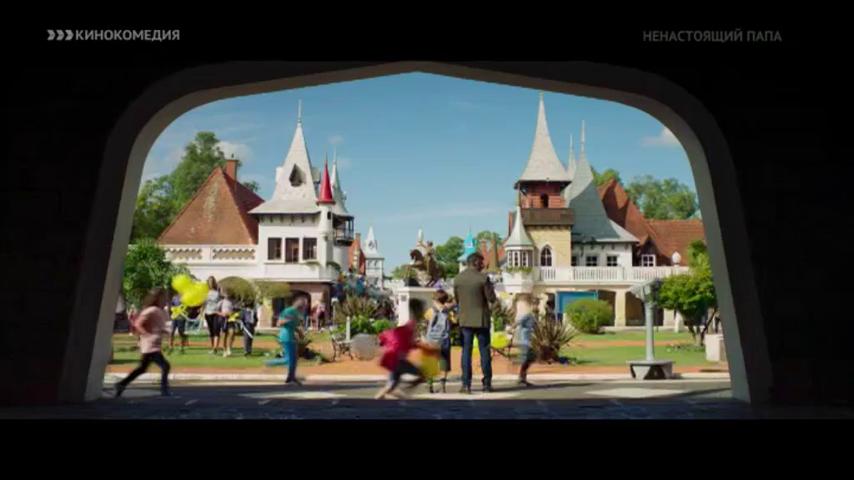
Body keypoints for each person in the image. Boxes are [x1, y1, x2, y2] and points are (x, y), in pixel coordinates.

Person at [114, 287, 172, 398]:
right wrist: (147, 335)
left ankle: (121, 384)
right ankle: (164, 389)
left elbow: (157, 326)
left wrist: (163, 331)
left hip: (153, 345)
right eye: (163, 297)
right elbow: (137, 324)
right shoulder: (151, 310)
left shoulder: (158, 311)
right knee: (165, 366)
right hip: (150, 346)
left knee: (142, 369)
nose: (165, 300)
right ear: (157, 298)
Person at [453, 252, 497, 394]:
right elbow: (491, 298)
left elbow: (457, 299)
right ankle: (487, 384)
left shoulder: (458, 279)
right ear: (476, 262)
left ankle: (466, 384)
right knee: (484, 352)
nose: (483, 265)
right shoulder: (483, 278)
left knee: (466, 352)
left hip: (465, 320)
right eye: (481, 262)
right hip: (481, 320)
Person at [375, 299, 434, 400]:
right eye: (421, 310)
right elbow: (409, 342)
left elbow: (406, 341)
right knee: (423, 375)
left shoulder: (411, 324)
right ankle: (404, 391)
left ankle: (379, 399)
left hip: (394, 359)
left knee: (390, 386)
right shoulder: (412, 324)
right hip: (397, 360)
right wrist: (424, 347)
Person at [266, 296, 307, 385]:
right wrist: (287, 320)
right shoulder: (288, 311)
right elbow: (279, 323)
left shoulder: (296, 313)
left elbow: (294, 325)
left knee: (294, 359)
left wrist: (299, 332)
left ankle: (291, 377)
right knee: (288, 359)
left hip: (291, 337)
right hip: (285, 337)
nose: (305, 307)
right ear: (299, 304)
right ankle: (269, 363)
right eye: (304, 305)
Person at [425, 289, 453, 393]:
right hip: (444, 339)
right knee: (444, 361)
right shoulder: (448, 311)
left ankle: (430, 384)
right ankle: (443, 385)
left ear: (435, 300)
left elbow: (426, 319)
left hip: (432, 339)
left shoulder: (430, 310)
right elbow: (454, 320)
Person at [512, 294, 536, 387]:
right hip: (524, 341)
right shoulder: (528, 315)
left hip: (529, 341)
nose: (536, 306)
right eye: (534, 304)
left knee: (529, 360)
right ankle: (521, 378)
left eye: (537, 304)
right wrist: (511, 329)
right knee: (526, 359)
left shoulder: (533, 316)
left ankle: (523, 378)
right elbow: (518, 322)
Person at [204, 277, 223, 354]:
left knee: (216, 331)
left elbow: (221, 302)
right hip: (207, 313)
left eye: (212, 281)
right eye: (209, 281)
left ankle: (215, 348)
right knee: (211, 332)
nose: (210, 283)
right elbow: (204, 303)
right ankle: (213, 347)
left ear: (214, 282)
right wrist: (201, 311)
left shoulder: (218, 292)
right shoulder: (206, 293)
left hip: (216, 313)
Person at [218, 290, 238, 357]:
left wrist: (233, 313)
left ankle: (229, 348)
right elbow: (216, 311)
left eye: (228, 293)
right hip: (223, 319)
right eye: (226, 293)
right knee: (224, 335)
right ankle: (224, 350)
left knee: (232, 333)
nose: (227, 295)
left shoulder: (233, 302)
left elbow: (236, 310)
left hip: (231, 319)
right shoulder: (221, 302)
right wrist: (222, 314)